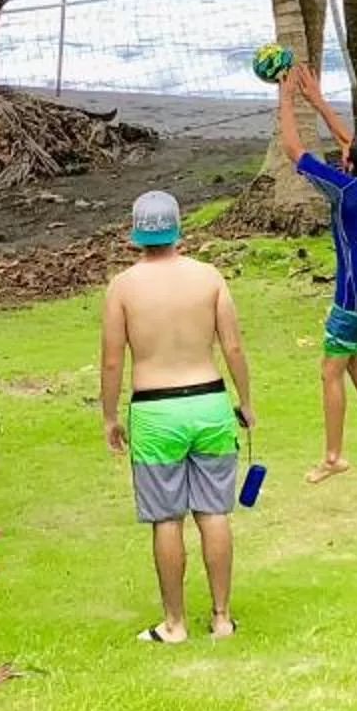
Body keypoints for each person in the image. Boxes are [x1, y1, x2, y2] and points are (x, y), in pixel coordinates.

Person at [100, 189, 254, 643]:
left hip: (155, 409)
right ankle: (222, 617)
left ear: (135, 233)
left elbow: (112, 361)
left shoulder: (123, 287)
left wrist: (109, 416)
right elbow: (233, 347)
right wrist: (245, 401)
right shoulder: (209, 278)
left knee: (166, 518)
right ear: (178, 230)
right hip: (209, 401)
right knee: (213, 512)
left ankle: (175, 623)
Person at [273, 66, 357, 483]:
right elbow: (351, 142)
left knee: (331, 369)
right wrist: (318, 100)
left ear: (348, 166)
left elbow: (294, 149)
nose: (340, 153)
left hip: (355, 292)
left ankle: (333, 456)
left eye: (344, 156)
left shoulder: (342, 188)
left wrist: (286, 97)